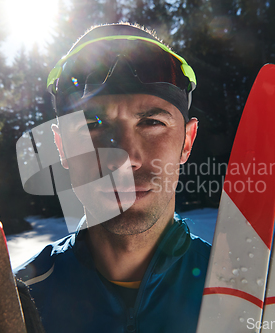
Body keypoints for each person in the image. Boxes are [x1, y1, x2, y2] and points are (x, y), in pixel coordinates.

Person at [14, 23, 211, 333]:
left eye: (151, 122)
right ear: (62, 148)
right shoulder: (18, 305)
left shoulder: (243, 293)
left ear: (187, 141)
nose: (126, 158)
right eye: (93, 125)